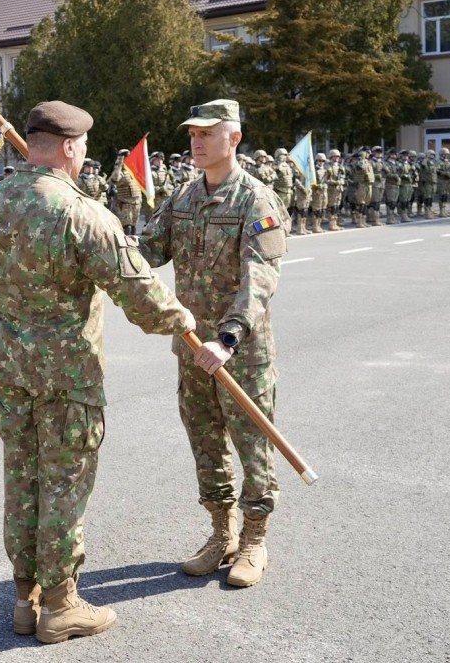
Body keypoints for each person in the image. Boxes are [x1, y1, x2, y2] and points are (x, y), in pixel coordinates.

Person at [0, 100, 195, 644]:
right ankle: (61, 605)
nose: (85, 152)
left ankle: (25, 598)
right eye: (83, 144)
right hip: (66, 375)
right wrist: (183, 320)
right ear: (69, 147)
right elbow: (141, 297)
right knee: (64, 484)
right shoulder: (81, 212)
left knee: (22, 478)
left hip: (7, 369)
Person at [139, 99, 289, 589]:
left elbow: (260, 277)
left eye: (207, 133)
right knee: (205, 443)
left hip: (239, 352)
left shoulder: (256, 200)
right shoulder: (183, 197)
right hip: (191, 348)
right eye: (192, 134)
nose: (196, 141)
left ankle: (254, 539)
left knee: (252, 446)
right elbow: (146, 252)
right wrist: (97, 236)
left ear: (234, 138)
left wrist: (228, 336)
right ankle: (222, 533)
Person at [109, 148, 142, 234]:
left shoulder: (135, 171)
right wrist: (119, 162)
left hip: (136, 203)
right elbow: (115, 178)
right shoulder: (120, 172)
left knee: (134, 228)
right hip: (124, 204)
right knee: (127, 228)